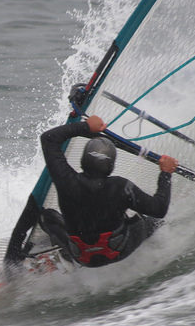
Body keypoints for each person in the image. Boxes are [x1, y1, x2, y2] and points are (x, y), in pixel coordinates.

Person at [37, 114, 178, 267]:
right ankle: (160, 251)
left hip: (82, 257)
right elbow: (159, 209)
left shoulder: (65, 179)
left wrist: (85, 126)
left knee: (48, 216)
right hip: (119, 251)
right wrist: (166, 173)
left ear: (83, 160)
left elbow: (48, 139)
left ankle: (63, 257)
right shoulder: (120, 187)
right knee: (150, 220)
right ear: (111, 166)